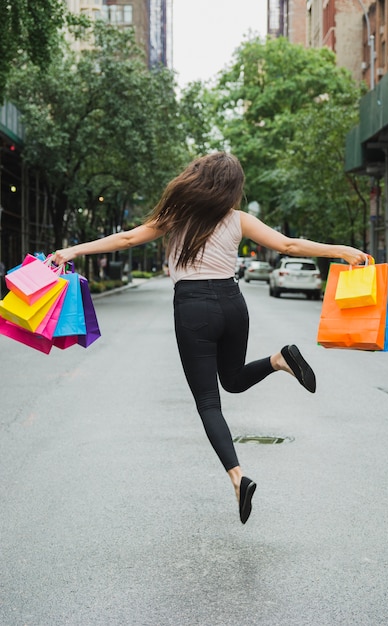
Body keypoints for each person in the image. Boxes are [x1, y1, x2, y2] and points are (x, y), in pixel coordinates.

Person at [53, 152, 367, 524]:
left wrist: (73, 249)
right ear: (232, 188)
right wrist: (339, 250)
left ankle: (237, 478)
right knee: (232, 381)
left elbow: (126, 238)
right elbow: (289, 246)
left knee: (208, 402)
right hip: (233, 303)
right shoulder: (238, 219)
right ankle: (279, 359)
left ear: (197, 178)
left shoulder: (174, 217)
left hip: (193, 308)